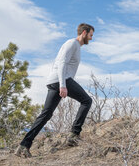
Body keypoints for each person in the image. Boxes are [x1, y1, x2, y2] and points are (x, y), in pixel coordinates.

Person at [15, 23, 94, 157]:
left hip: (55, 80)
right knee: (86, 100)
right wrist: (63, 85)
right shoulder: (72, 43)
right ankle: (74, 134)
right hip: (61, 80)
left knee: (46, 114)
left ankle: (23, 146)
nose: (91, 38)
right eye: (91, 35)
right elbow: (62, 62)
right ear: (84, 33)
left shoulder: (75, 46)